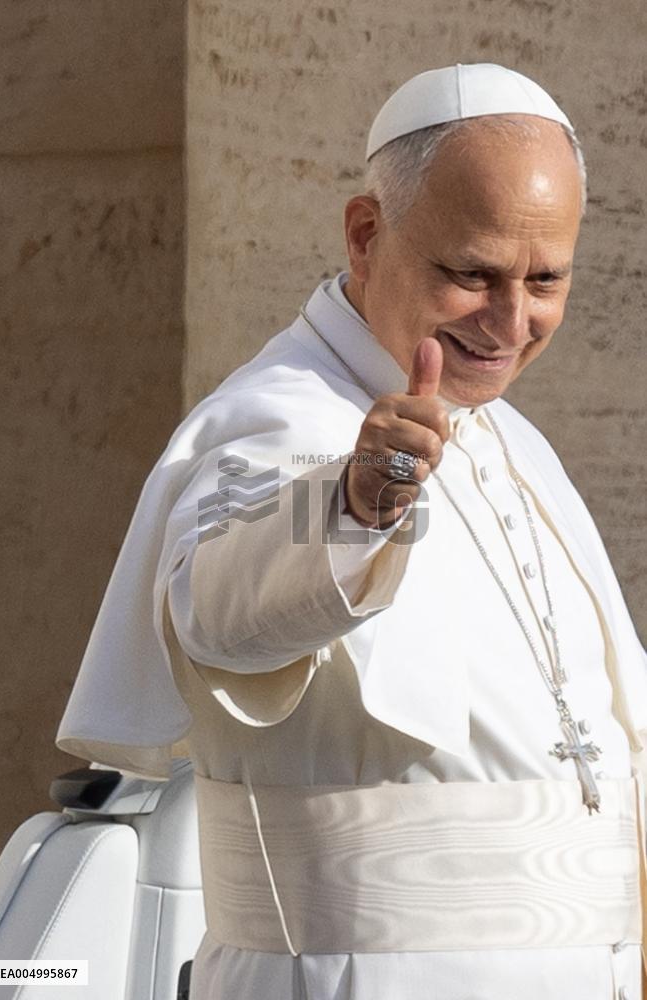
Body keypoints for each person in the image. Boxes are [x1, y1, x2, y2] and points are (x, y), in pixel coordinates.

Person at [56, 63, 647, 999]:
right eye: (472, 274)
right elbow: (217, 601)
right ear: (367, 235)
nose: (512, 320)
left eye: (547, 279)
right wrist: (353, 506)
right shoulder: (278, 418)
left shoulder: (517, 444)